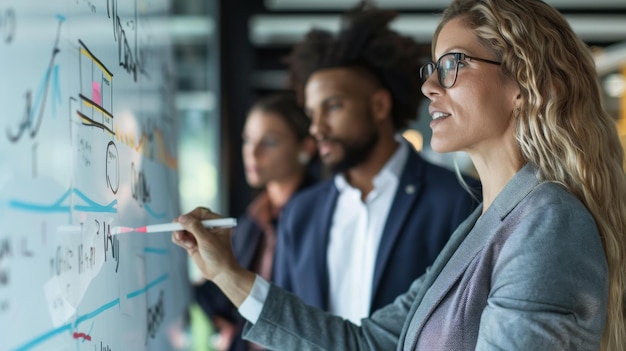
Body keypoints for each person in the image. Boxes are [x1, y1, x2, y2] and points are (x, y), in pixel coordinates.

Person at [173, 0, 626, 349]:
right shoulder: (482, 225)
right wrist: (226, 274)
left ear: (524, 86)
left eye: (454, 64)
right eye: (433, 68)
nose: (430, 85)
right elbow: (365, 344)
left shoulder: (548, 223)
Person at [272, 3, 479, 325]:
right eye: (312, 114)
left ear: (380, 105)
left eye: (334, 107)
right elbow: (285, 327)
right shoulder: (299, 213)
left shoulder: (458, 200)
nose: (317, 128)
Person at [193, 93, 318, 351]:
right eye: (248, 140)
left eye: (269, 142)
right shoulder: (252, 220)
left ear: (306, 148)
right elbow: (222, 299)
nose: (252, 152)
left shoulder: (320, 216)